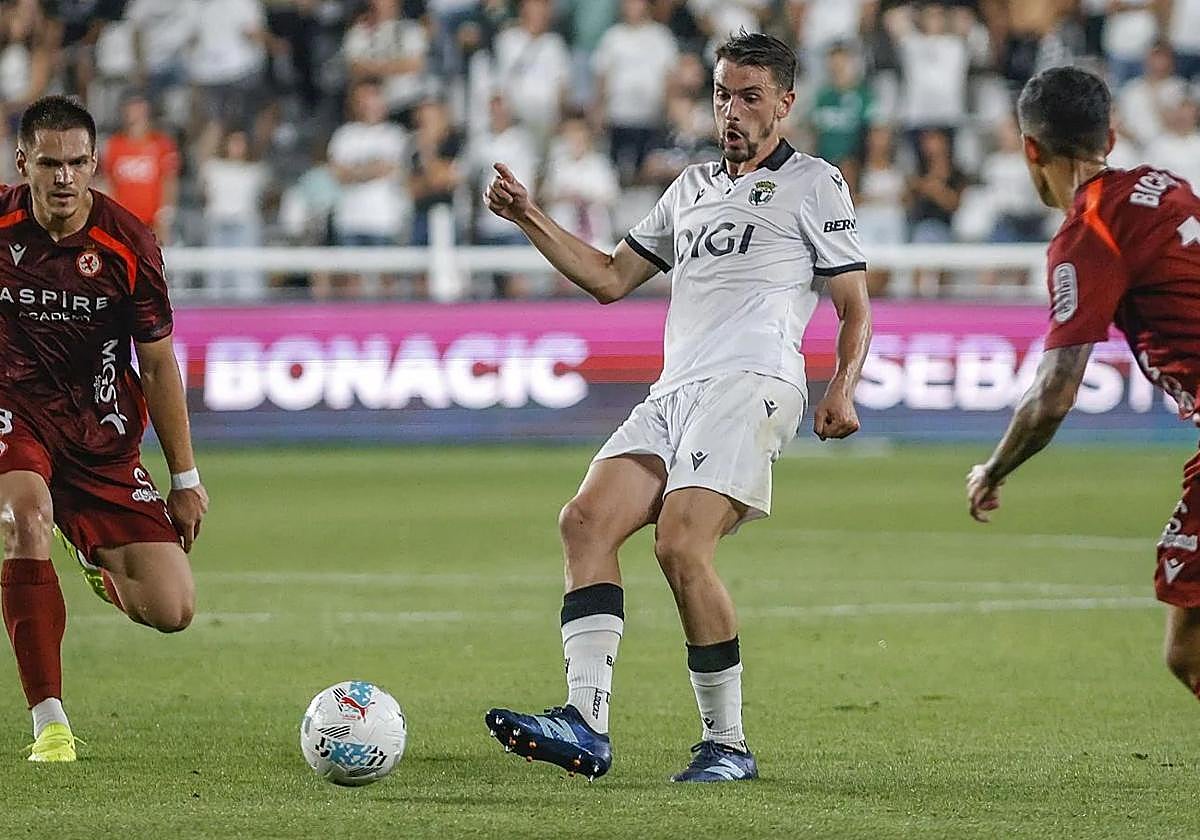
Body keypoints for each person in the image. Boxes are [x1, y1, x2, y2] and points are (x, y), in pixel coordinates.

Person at [483, 32, 871, 782]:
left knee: (680, 544)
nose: (732, 109)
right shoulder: (688, 187)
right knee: (584, 521)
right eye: (723, 93)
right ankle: (585, 723)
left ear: (785, 104)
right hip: (676, 390)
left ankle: (727, 745)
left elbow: (854, 304)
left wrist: (842, 386)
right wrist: (529, 216)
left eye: (750, 96)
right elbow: (607, 277)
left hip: (753, 381)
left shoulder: (815, 182)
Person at [965, 66, 1200, 706]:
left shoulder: (1089, 232)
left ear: (1030, 149)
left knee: (1191, 652)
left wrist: (994, 468)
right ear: (1112, 136)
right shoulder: (1168, 187)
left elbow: (1054, 395)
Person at [0, 96, 207, 762]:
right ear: (23, 161)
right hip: (15, 414)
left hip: (100, 434)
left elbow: (156, 361)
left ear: (97, 163)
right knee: (23, 516)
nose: (64, 178)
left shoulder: (128, 242)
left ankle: (91, 553)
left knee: (171, 609)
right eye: (51, 163)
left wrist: (185, 479)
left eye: (78, 163)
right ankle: (49, 720)